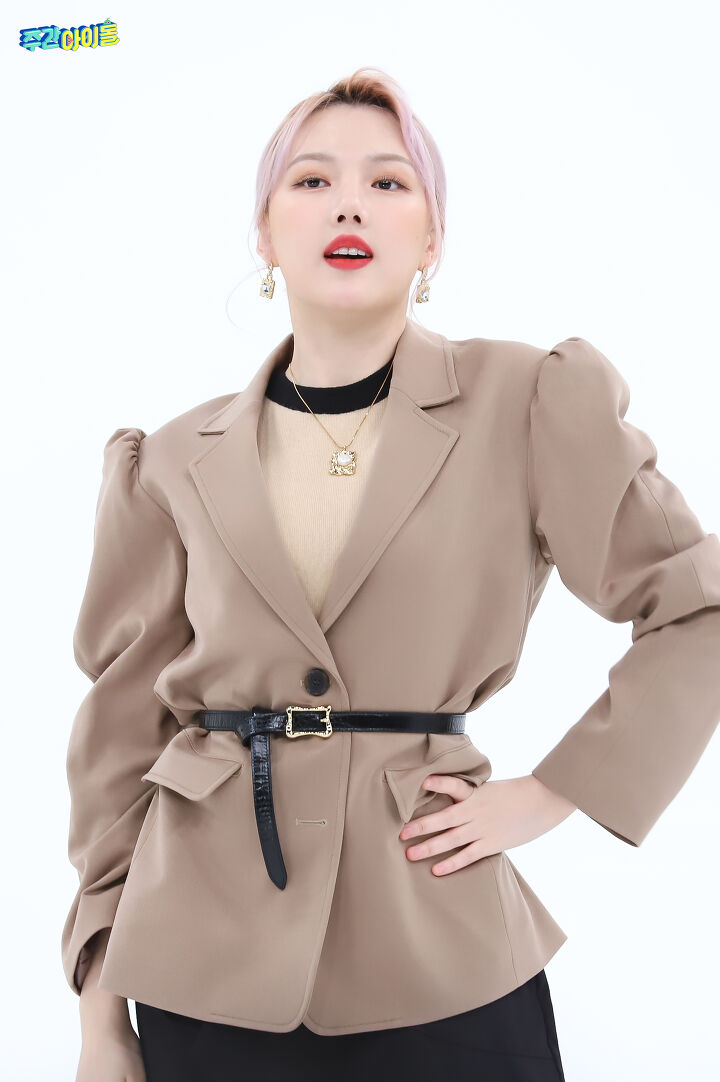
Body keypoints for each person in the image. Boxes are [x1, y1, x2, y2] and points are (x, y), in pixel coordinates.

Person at [63, 67, 720, 1082]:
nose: (350, 205)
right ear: (264, 233)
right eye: (311, 181)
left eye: (388, 181)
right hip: (200, 951)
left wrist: (558, 790)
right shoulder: (170, 459)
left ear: (432, 237)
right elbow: (118, 741)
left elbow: (696, 606)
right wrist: (101, 1019)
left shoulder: (528, 398)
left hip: (437, 933)